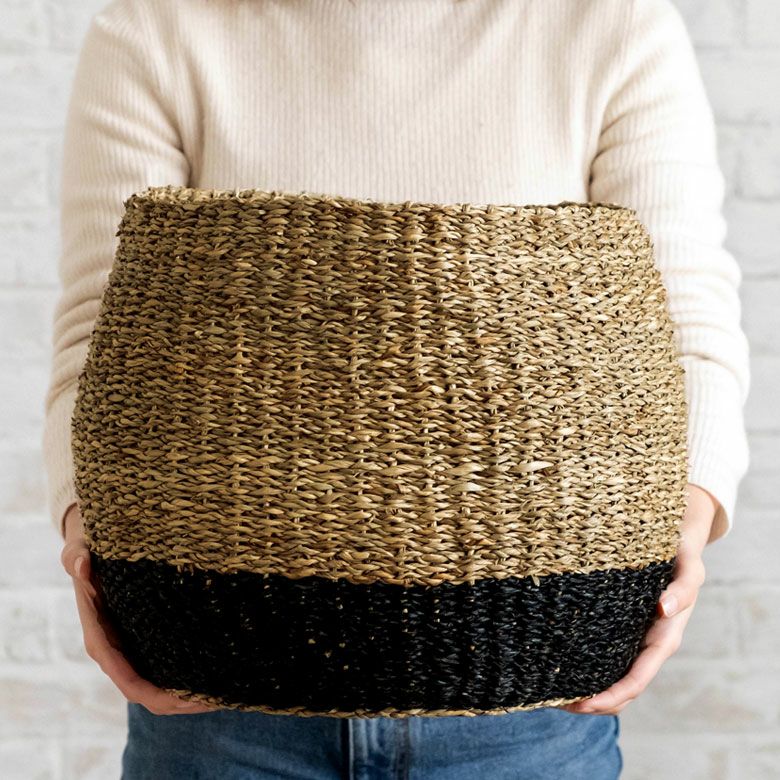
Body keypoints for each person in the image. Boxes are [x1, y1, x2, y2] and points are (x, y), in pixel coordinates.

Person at [47, 0, 750, 777]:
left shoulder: (611, 26)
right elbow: (101, 325)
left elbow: (683, 318)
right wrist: (83, 529)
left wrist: (688, 521)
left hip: (528, 700)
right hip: (220, 701)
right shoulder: (155, 30)